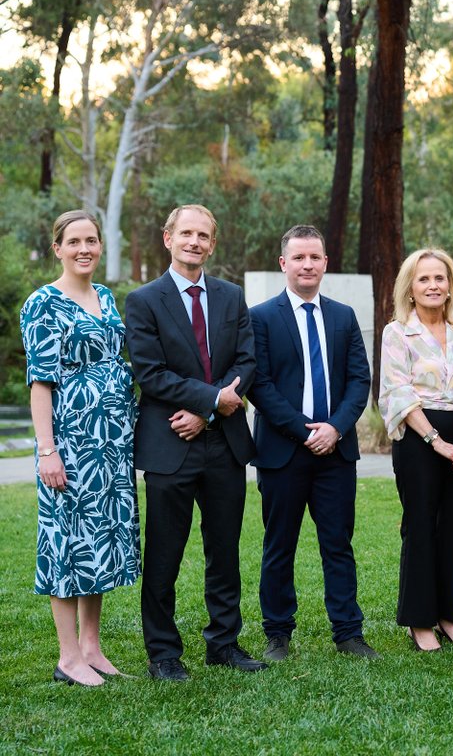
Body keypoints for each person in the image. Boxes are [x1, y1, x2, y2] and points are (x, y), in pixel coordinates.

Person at [125, 204, 263, 681]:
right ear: (168, 238)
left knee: (223, 550)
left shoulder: (230, 296)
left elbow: (247, 360)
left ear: (212, 243)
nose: (194, 242)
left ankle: (223, 643)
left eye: (203, 235)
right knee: (164, 553)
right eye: (186, 233)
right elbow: (150, 372)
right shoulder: (143, 300)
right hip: (170, 444)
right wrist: (212, 401)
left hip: (225, 445)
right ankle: (163, 653)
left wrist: (211, 409)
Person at [20, 210, 140, 686]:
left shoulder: (106, 298)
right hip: (69, 443)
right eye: (74, 242)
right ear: (58, 248)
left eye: (91, 240)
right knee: (66, 543)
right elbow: (41, 383)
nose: (84, 248)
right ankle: (67, 657)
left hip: (111, 445)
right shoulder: (43, 303)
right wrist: (47, 450)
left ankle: (92, 648)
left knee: (102, 542)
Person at [247, 226, 375, 661]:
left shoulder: (343, 316)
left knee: (338, 543)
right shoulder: (261, 316)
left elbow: (360, 380)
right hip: (283, 452)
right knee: (279, 544)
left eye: (315, 257)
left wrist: (334, 429)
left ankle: (348, 633)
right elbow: (259, 385)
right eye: (298, 257)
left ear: (325, 263)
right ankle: (277, 633)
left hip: (336, 452)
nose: (307, 265)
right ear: (283, 263)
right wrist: (304, 431)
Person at [379, 248, 453, 652]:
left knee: (452, 527)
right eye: (424, 279)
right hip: (419, 436)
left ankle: (448, 617)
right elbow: (397, 391)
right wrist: (436, 441)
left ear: (450, 285)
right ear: (411, 288)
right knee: (420, 525)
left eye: (440, 278)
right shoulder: (397, 332)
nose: (433, 285)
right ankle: (419, 621)